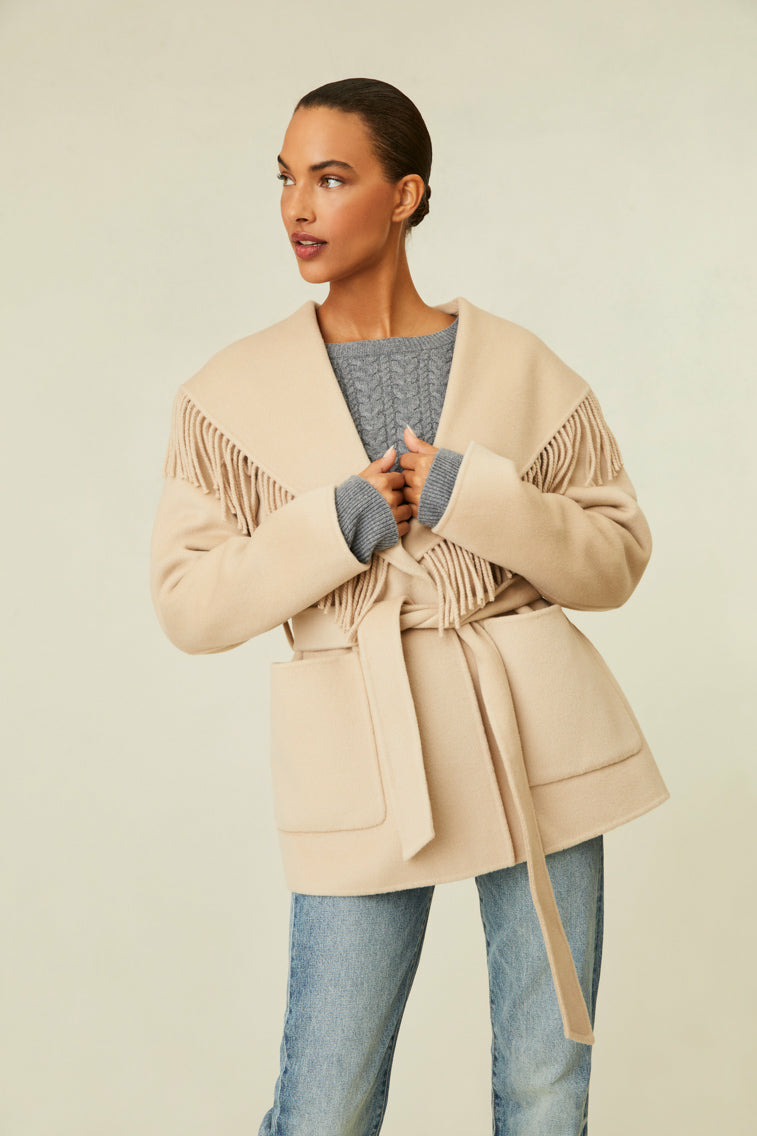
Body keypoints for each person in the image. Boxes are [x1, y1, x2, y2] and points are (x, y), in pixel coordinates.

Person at [149, 77, 670, 1136]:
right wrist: (336, 522)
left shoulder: (521, 366)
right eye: (286, 179)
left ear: (404, 194)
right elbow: (188, 602)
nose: (298, 207)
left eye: (331, 178)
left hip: (535, 740)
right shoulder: (229, 393)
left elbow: (615, 560)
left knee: (546, 1091)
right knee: (324, 1103)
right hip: (361, 747)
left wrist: (473, 496)